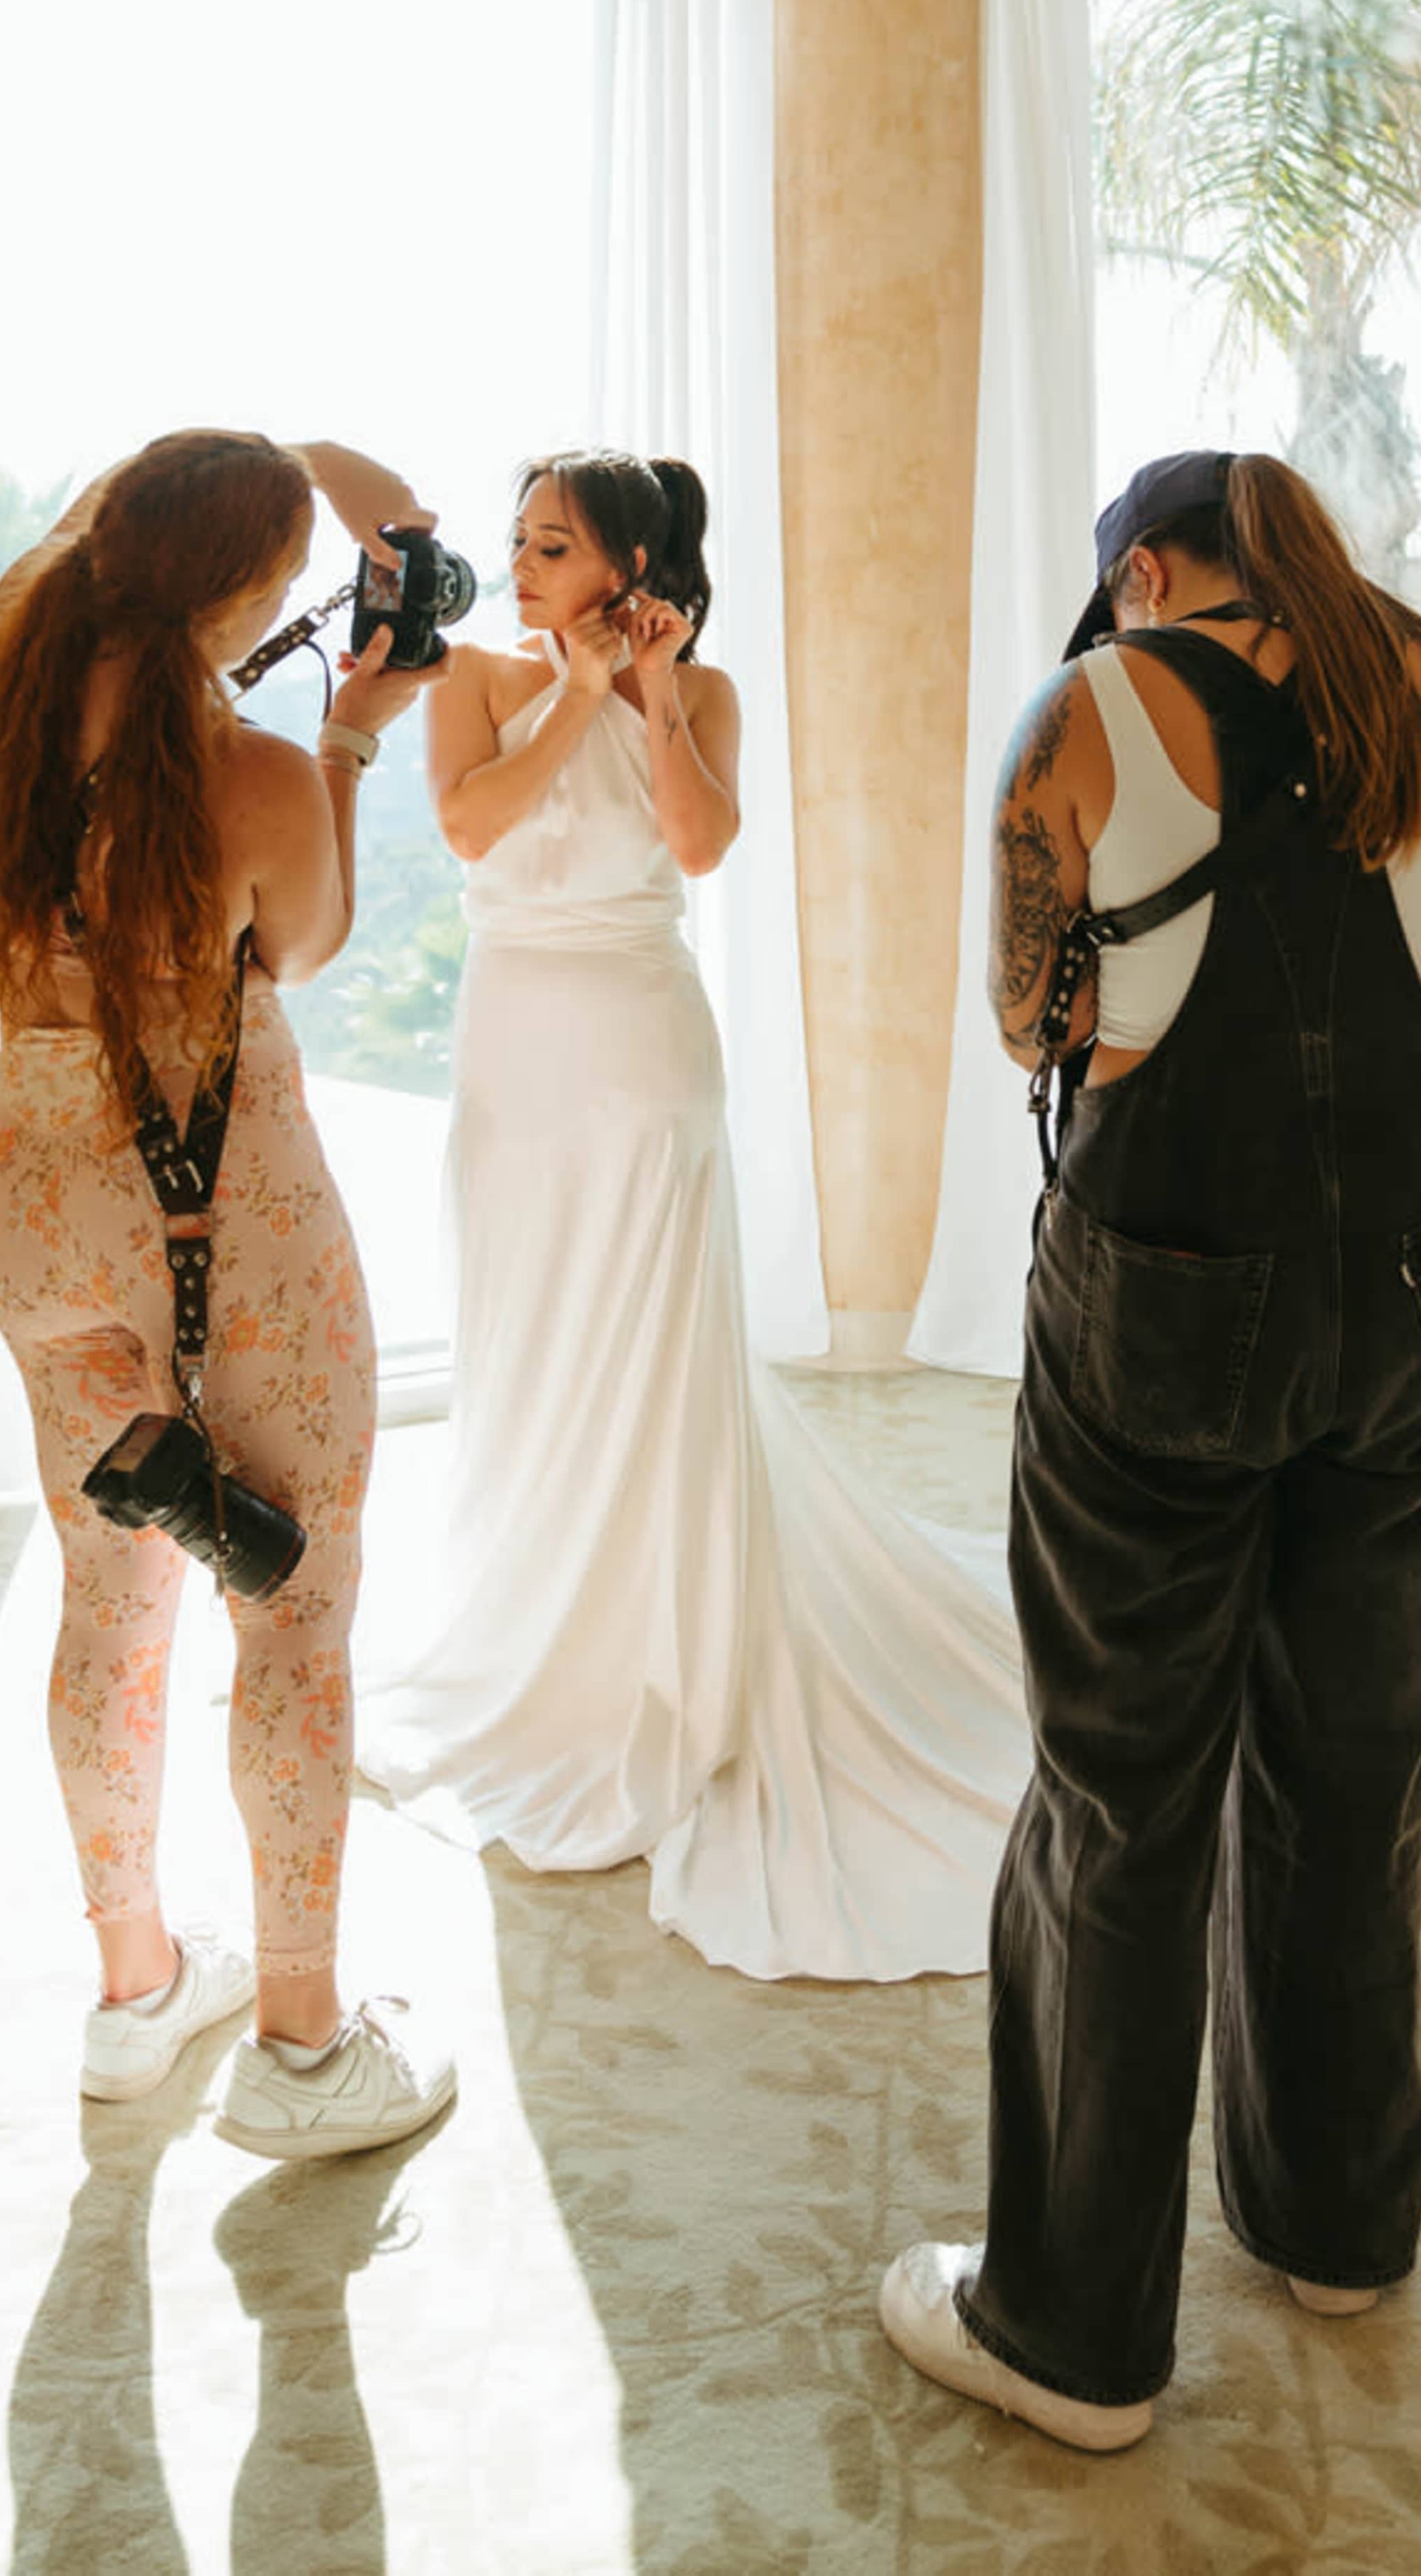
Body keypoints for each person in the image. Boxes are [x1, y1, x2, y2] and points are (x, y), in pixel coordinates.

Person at [880, 445, 1421, 2449]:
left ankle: (1072, 2328)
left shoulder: (1095, 708)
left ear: (1144, 571)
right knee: (1351, 1762)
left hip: (1172, 1287)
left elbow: (1032, 1024)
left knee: (1120, 1785)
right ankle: (1337, 2218)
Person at [352, 451, 1032, 1981]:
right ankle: (540, 1640)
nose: (519, 564)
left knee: (653, 1360)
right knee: (530, 1339)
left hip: (651, 1056)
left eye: (552, 544)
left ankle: (669, 1659)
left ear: (631, 563)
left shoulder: (705, 692)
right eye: (517, 538)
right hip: (516, 1056)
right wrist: (575, 688)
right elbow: (472, 827)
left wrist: (646, 690)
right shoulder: (467, 676)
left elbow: (704, 842)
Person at [0, 424, 459, 2157]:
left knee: (109, 1602)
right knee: (291, 1616)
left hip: (38, 1204)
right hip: (226, 1232)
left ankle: (135, 1987)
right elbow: (300, 949)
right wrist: (347, 745)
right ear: (246, 597)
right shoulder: (248, 771)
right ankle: (306, 2049)